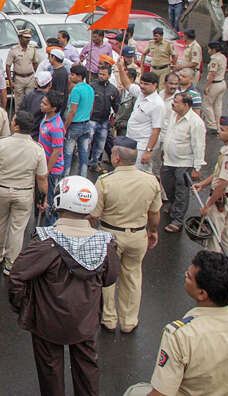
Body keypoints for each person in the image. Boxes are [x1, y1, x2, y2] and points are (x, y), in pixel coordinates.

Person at [8, 175, 118, 396]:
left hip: (48, 322)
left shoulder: (45, 242)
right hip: (86, 321)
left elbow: (17, 276)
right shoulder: (105, 243)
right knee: (87, 369)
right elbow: (110, 278)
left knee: (50, 373)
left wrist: (24, 306)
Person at [123, 251, 228, 396]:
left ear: (202, 293)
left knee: (134, 391)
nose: (185, 277)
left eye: (188, 277)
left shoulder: (180, 335)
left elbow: (162, 393)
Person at [92, 137, 161, 334]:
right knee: (132, 276)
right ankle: (129, 320)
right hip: (138, 234)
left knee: (108, 276)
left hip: (110, 234)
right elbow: (154, 213)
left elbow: (94, 215)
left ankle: (109, 318)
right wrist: (153, 231)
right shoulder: (150, 181)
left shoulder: (105, 182)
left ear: (116, 158)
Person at [0, 111, 48, 272]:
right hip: (24, 192)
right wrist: (44, 197)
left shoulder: (1, 143)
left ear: (17, 126)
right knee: (18, 229)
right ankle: (11, 263)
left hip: (2, 189)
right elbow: (42, 178)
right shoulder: (37, 149)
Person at [192, 117, 228, 260]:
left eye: (223, 130)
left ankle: (213, 269)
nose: (219, 131)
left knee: (213, 238)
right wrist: (203, 184)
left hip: (221, 200)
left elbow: (222, 183)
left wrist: (208, 205)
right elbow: (218, 173)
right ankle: (227, 262)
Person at [161, 93, 206, 233]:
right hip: (168, 160)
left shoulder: (195, 122)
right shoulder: (173, 115)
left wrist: (196, 168)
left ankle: (178, 219)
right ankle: (174, 206)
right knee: (168, 186)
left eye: (176, 102)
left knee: (181, 190)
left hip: (184, 162)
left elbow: (199, 145)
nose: (173, 104)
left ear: (186, 105)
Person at [39, 91, 65, 225]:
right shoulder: (46, 117)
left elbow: (57, 151)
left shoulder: (56, 127)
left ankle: (51, 229)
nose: (41, 105)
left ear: (53, 108)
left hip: (52, 170)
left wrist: (46, 170)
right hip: (44, 165)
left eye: (45, 103)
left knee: (50, 201)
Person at [63, 65, 94, 176]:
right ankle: (83, 177)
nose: (70, 76)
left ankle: (64, 179)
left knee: (68, 154)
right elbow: (91, 109)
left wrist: (65, 127)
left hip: (74, 126)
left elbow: (72, 111)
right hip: (86, 124)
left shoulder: (76, 90)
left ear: (79, 76)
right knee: (84, 154)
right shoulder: (90, 88)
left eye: (73, 74)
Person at [89, 62, 119, 173]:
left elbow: (116, 106)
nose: (101, 76)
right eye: (100, 74)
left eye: (104, 74)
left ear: (109, 76)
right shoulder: (92, 86)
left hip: (104, 122)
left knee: (100, 145)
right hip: (91, 120)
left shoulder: (113, 90)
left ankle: (95, 163)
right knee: (87, 142)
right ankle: (84, 162)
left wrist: (114, 120)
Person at [7, 30, 40, 102]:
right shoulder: (13, 50)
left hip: (30, 78)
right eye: (25, 37)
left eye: (29, 38)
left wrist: (34, 75)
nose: (28, 39)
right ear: (20, 38)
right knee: (19, 102)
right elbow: (8, 66)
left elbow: (35, 63)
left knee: (30, 100)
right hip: (19, 78)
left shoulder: (32, 49)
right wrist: (10, 81)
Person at [202, 41, 228, 133]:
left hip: (215, 83)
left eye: (209, 49)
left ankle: (212, 125)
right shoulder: (223, 57)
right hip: (222, 82)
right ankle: (218, 125)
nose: (208, 51)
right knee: (217, 105)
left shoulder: (215, 59)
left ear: (214, 50)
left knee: (207, 104)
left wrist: (207, 86)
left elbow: (212, 73)